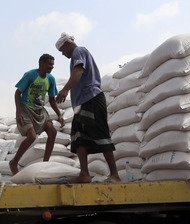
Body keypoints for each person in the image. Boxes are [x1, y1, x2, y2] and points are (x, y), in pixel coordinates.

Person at [55, 32, 120, 183]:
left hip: (91, 99)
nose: (63, 54)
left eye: (62, 51)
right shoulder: (77, 54)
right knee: (78, 137)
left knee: (100, 134)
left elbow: (78, 71)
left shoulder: (79, 51)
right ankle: (84, 173)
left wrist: (65, 90)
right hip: (82, 103)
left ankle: (115, 175)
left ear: (67, 44)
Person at [8, 54, 65, 175]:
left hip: (40, 110)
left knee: (52, 132)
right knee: (32, 136)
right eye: (50, 64)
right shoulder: (30, 75)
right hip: (26, 109)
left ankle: (44, 164)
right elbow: (17, 93)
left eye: (53, 65)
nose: (52, 67)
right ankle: (14, 162)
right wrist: (18, 112)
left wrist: (59, 115)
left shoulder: (50, 79)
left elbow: (52, 99)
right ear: (41, 63)